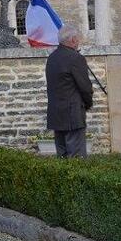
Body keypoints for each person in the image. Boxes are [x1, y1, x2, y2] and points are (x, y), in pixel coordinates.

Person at [45, 25, 93, 158]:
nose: (78, 42)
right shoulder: (75, 58)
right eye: (77, 39)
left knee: (62, 158)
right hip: (72, 115)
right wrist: (88, 104)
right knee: (76, 158)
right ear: (72, 40)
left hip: (56, 114)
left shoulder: (52, 58)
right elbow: (85, 87)